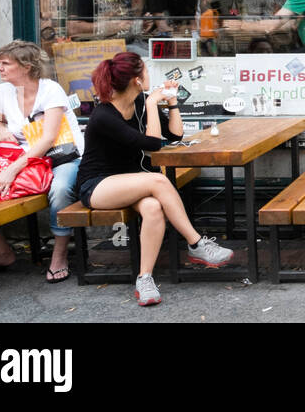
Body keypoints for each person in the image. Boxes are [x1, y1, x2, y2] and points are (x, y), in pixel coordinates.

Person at [76, 52, 233, 306]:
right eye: (146, 72)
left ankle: (145, 278)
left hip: (134, 181)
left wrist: (171, 103)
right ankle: (196, 243)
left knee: (153, 207)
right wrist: (151, 103)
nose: (150, 77)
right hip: (98, 184)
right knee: (158, 182)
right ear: (137, 80)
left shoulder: (139, 102)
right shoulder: (104, 116)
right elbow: (153, 144)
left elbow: (174, 135)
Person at [0, 40, 85, 283]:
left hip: (58, 157)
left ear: (26, 67)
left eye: (5, 63)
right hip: (20, 162)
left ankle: (60, 253)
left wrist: (12, 171)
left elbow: (48, 139)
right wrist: (2, 132)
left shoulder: (50, 90)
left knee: (61, 188)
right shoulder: (3, 91)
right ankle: (1, 250)